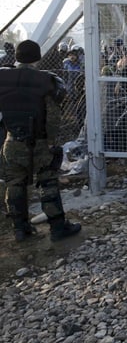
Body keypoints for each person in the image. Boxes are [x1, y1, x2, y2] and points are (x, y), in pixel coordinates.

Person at [0, 40, 81, 242]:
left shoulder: (3, 78)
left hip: (12, 141)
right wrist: (52, 141)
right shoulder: (45, 81)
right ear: (37, 58)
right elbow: (52, 116)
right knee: (47, 183)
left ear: (17, 57)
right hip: (40, 143)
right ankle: (58, 227)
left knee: (15, 185)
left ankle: (20, 229)